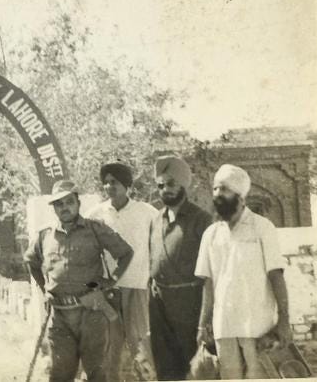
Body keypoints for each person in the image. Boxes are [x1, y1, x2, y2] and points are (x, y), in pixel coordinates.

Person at [24, 179, 134, 382]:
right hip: (60, 316)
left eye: (69, 202)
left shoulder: (95, 229)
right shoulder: (45, 235)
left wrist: (111, 281)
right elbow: (31, 260)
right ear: (54, 208)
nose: (64, 207)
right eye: (59, 204)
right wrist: (44, 289)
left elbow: (125, 253)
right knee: (60, 373)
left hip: (90, 312)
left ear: (78, 203)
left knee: (96, 372)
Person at [195, 164, 292, 379]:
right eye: (215, 189)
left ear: (240, 196)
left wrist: (284, 321)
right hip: (224, 328)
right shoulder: (211, 234)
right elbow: (208, 283)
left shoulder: (262, 227)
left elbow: (276, 275)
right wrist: (203, 325)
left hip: (257, 327)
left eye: (224, 189)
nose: (218, 195)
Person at [86, 162, 158, 380]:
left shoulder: (147, 212)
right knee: (111, 347)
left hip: (138, 286)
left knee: (141, 344)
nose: (109, 187)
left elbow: (157, 248)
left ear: (127, 185)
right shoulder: (95, 214)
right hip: (109, 291)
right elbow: (89, 253)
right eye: (106, 183)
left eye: (114, 182)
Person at [148, 155, 213, 380]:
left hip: (190, 306)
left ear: (183, 184)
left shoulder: (201, 220)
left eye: (171, 184)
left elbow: (211, 274)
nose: (165, 189)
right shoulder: (156, 220)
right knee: (165, 368)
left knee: (195, 368)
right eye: (160, 185)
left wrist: (207, 319)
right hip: (159, 307)